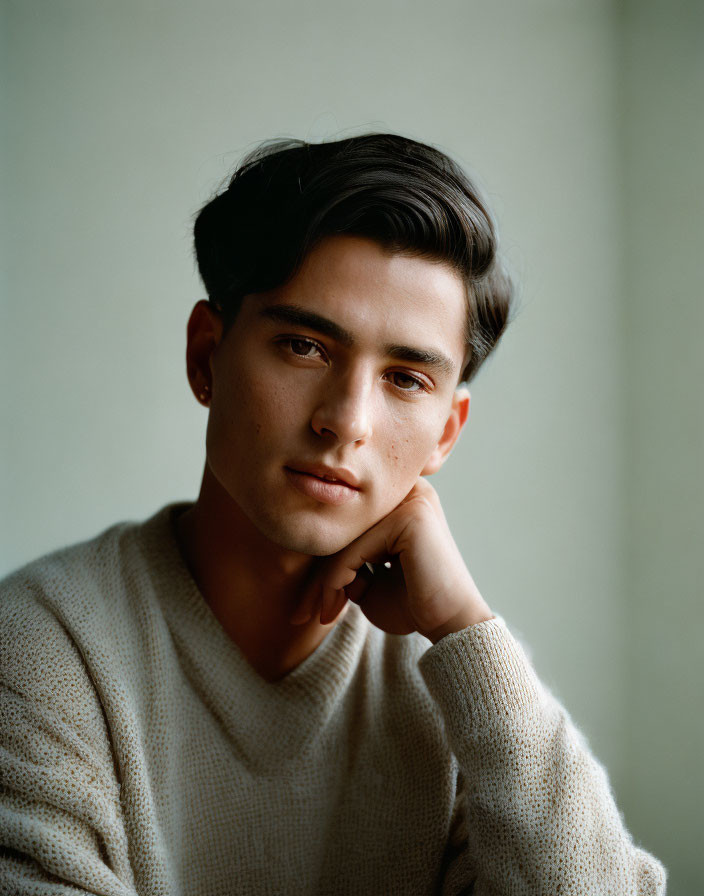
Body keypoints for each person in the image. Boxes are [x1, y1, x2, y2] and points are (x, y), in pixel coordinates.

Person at [0, 134, 666, 894]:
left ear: (447, 431)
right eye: (305, 346)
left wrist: (467, 631)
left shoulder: (457, 694)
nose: (346, 420)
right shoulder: (40, 657)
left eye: (407, 378)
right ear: (205, 356)